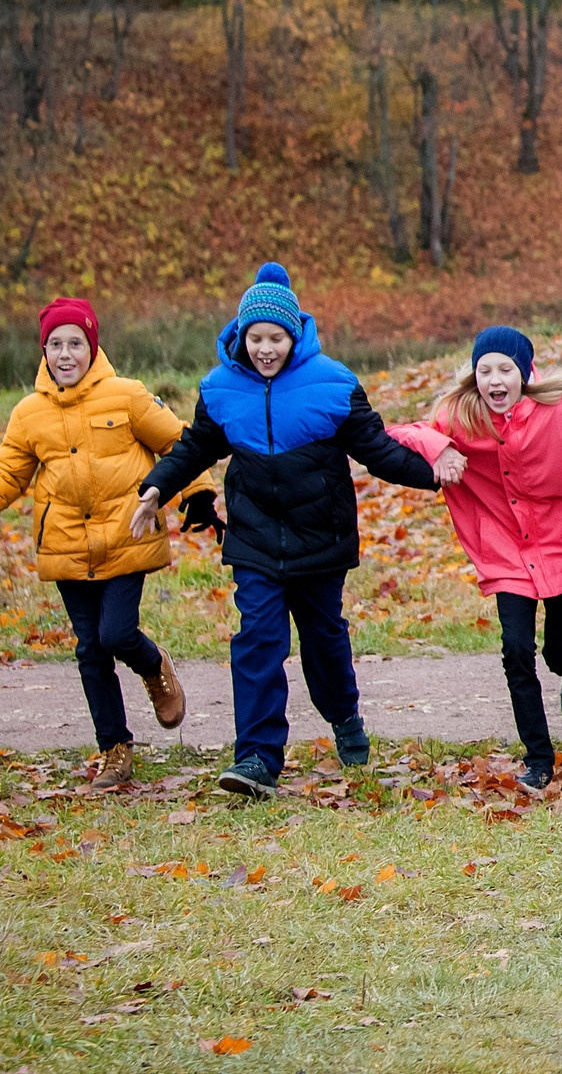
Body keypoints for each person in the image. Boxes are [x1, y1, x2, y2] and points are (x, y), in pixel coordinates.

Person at [132, 263, 442, 799]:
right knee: (258, 640)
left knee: (323, 640)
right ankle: (256, 757)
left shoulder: (333, 383)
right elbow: (194, 447)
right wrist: (157, 487)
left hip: (321, 538)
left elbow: (377, 450)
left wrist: (435, 475)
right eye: (256, 338)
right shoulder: (221, 388)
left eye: (275, 338)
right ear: (241, 337)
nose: (265, 349)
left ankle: (345, 718)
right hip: (254, 538)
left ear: (294, 334)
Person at [0, 297, 201, 787]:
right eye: (55, 345)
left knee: (116, 634)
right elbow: (6, 472)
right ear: (44, 351)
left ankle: (155, 666)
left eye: (76, 344)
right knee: (90, 650)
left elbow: (179, 444)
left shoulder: (126, 396)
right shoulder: (29, 414)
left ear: (93, 347)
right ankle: (114, 750)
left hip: (127, 535)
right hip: (66, 544)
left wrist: (197, 491)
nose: (66, 354)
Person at [385, 326, 562, 790]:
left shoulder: (558, 413)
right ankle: (539, 759)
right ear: (474, 374)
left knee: (556, 651)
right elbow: (399, 432)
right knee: (516, 651)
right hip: (506, 552)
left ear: (524, 373)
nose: (495, 380)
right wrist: (438, 446)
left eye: (506, 369)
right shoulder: (459, 415)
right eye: (485, 370)